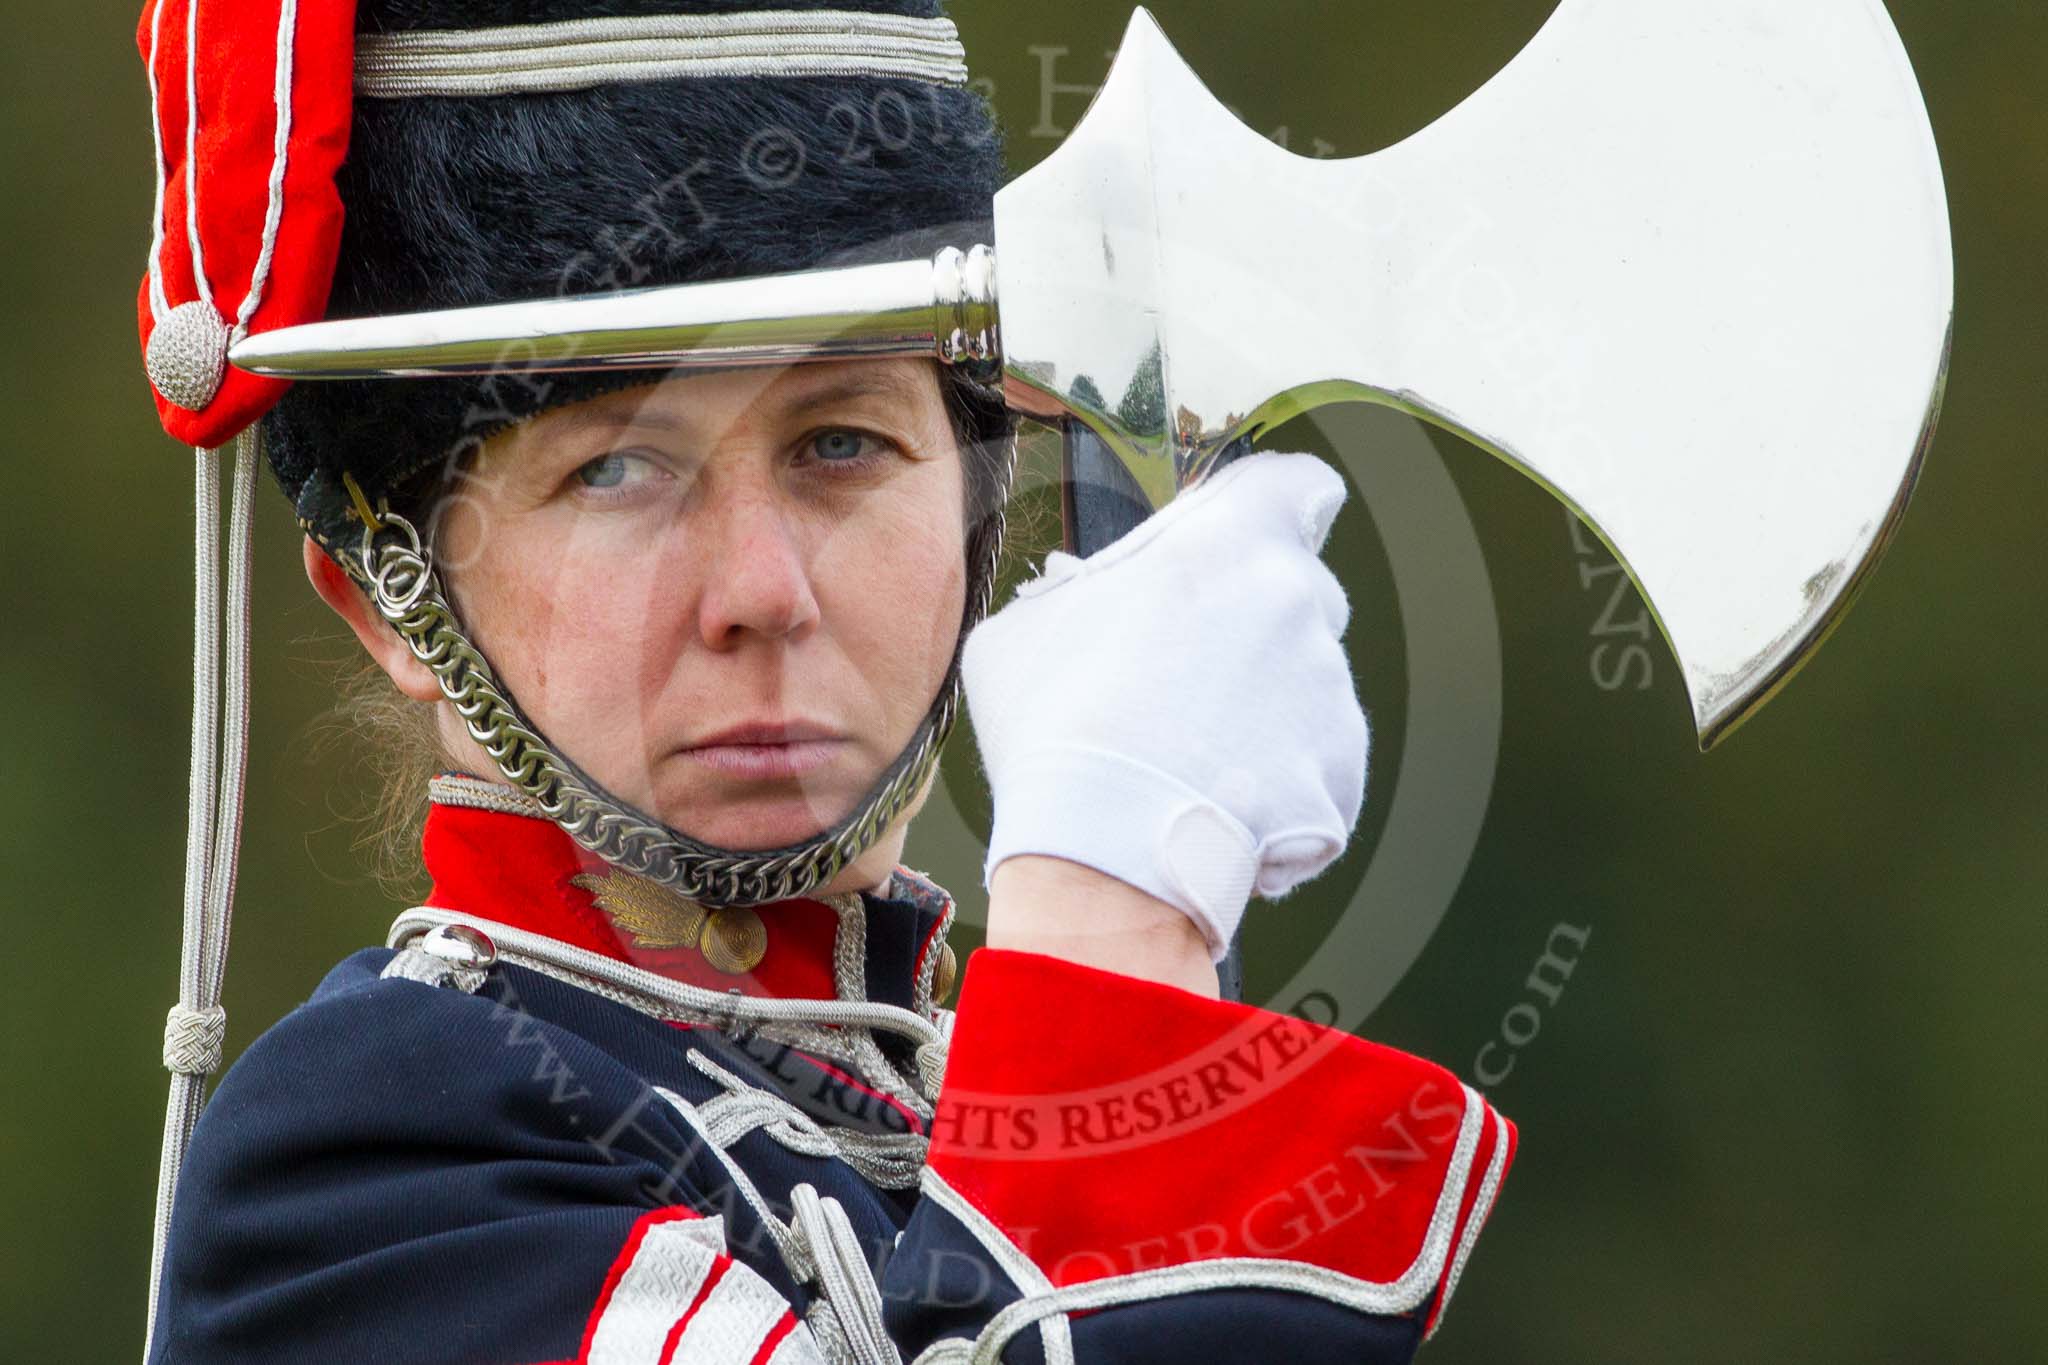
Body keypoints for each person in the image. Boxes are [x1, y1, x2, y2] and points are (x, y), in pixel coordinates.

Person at [135, 1, 1515, 1360]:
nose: (763, 592)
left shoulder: (960, 1097)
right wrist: (1115, 922)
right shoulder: (351, 1178)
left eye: (842, 443)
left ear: (985, 504)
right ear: (387, 592)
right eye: (614, 467)